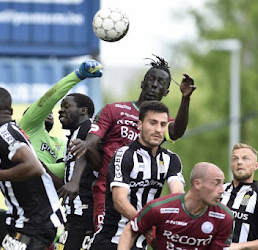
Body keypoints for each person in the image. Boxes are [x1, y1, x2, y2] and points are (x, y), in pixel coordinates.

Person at [69, 55, 196, 231]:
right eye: (151, 79)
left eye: (161, 82)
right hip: (107, 191)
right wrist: (74, 180)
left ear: (166, 91)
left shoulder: (161, 123)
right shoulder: (113, 110)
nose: (154, 84)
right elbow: (89, 145)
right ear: (142, 83)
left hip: (142, 198)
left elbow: (176, 131)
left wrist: (185, 98)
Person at [0, 87, 66, 249]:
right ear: (11, 111)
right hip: (15, 220)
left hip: (36, 226)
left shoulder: (5, 134)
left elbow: (33, 167)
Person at [89, 100, 186, 250]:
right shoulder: (124, 154)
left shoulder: (171, 159)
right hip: (111, 241)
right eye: (152, 123)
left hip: (140, 244)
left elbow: (178, 196)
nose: (158, 129)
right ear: (139, 125)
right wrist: (148, 226)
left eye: (162, 124)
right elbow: (120, 201)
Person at [18, 59, 103, 186]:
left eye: (52, 111)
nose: (54, 112)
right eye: (46, 110)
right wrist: (77, 76)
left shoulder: (62, 142)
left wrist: (32, 166)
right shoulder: (27, 127)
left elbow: (66, 170)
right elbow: (49, 99)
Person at [118, 162, 234, 250]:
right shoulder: (159, 208)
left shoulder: (224, 217)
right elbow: (130, 230)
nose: (222, 190)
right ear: (197, 184)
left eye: (222, 184)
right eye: (216, 183)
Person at [57, 93, 96, 250]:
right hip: (74, 214)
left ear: (83, 110)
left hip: (85, 214)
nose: (60, 111)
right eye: (60, 108)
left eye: (66, 106)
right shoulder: (75, 134)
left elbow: (99, 163)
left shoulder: (89, 130)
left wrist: (74, 182)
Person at [221, 143, 258, 249]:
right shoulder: (219, 190)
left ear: (256, 165)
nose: (239, 162)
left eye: (245, 158)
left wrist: (240, 246)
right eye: (235, 159)